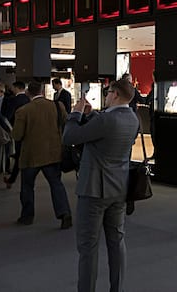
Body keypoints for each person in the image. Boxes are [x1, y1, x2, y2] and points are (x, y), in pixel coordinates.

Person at [62, 78, 140, 292]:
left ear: (115, 94)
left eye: (107, 93)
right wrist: (90, 115)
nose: (105, 97)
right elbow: (105, 132)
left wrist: (76, 113)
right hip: (119, 189)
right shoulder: (133, 118)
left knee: (88, 247)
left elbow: (69, 137)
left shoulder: (106, 120)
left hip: (94, 190)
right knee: (117, 242)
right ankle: (117, 288)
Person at [12, 80, 72, 228]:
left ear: (28, 93)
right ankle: (64, 214)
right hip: (53, 152)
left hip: (31, 155)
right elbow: (66, 124)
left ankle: (27, 216)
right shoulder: (58, 106)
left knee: (27, 186)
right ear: (43, 91)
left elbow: (17, 135)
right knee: (56, 184)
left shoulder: (23, 111)